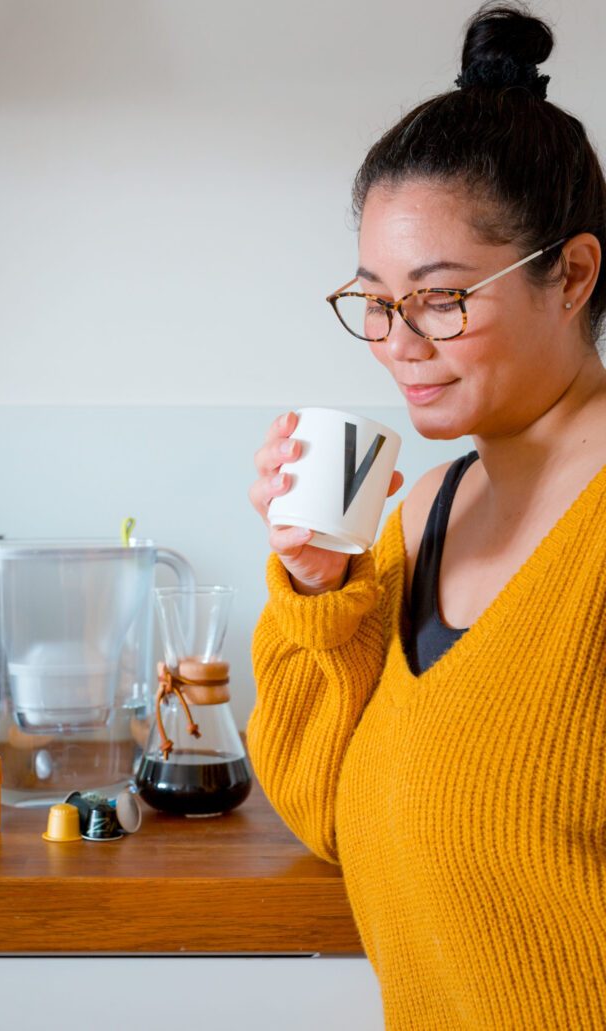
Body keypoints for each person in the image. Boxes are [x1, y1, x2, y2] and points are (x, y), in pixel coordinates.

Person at [246, 4, 606, 1028]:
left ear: (572, 275)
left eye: (442, 297)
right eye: (374, 298)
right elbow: (326, 812)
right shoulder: (424, 510)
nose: (396, 340)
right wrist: (320, 586)